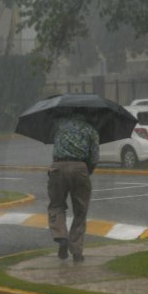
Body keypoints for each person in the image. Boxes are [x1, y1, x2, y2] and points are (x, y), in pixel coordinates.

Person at [47, 111, 99, 263]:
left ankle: (61, 235)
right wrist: (86, 170)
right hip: (80, 168)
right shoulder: (91, 130)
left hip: (57, 167)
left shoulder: (59, 125)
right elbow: (94, 157)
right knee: (80, 211)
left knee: (56, 205)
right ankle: (76, 250)